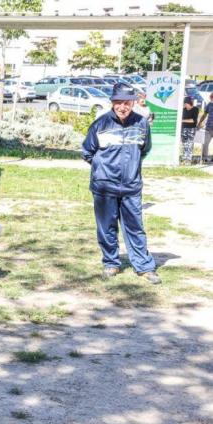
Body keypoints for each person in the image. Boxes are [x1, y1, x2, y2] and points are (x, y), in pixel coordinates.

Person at [82, 83, 161, 285]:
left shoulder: (142, 123)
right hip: (104, 186)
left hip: (131, 186)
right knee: (106, 226)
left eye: (127, 103)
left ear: (133, 103)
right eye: (118, 103)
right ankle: (111, 262)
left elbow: (144, 149)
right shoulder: (100, 124)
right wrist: (103, 168)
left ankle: (144, 266)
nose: (123, 107)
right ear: (113, 103)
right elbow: (87, 152)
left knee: (135, 227)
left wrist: (130, 167)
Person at [181, 96, 199, 165]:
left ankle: (189, 159)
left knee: (190, 143)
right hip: (183, 128)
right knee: (184, 143)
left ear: (189, 103)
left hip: (191, 129)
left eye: (186, 104)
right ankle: (184, 158)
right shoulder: (183, 110)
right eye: (184, 104)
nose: (185, 105)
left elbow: (193, 120)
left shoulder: (195, 109)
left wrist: (182, 120)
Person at [197, 92, 213, 163]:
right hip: (209, 127)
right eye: (211, 97)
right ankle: (205, 158)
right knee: (205, 143)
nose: (211, 99)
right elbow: (204, 115)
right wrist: (200, 122)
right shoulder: (209, 104)